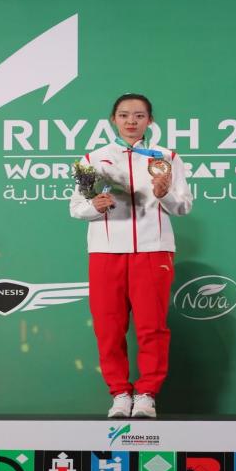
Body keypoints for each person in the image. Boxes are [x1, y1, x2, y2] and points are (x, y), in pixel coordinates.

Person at [70, 93, 193, 418]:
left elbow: (183, 206)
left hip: (154, 251)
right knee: (108, 328)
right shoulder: (92, 159)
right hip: (106, 253)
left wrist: (164, 195)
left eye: (139, 115)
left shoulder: (167, 157)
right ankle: (120, 394)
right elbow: (76, 207)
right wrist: (94, 206)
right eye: (124, 115)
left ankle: (147, 394)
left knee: (152, 327)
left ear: (149, 121)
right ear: (113, 119)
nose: (131, 121)